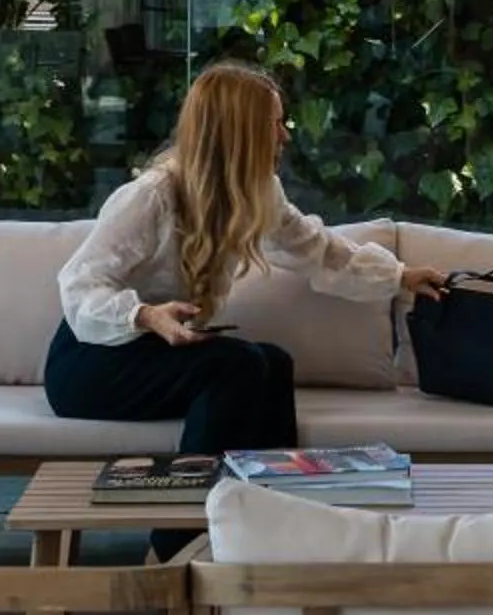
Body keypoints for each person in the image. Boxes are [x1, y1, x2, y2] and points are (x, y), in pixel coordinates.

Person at [44, 61, 445, 455]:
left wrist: (402, 275)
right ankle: (184, 518)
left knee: (273, 363)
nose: (284, 136)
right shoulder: (152, 197)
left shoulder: (257, 192)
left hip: (159, 356)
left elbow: (315, 249)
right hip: (93, 360)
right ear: (240, 134)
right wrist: (147, 316)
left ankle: (263, 506)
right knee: (236, 365)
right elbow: (79, 286)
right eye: (274, 124)